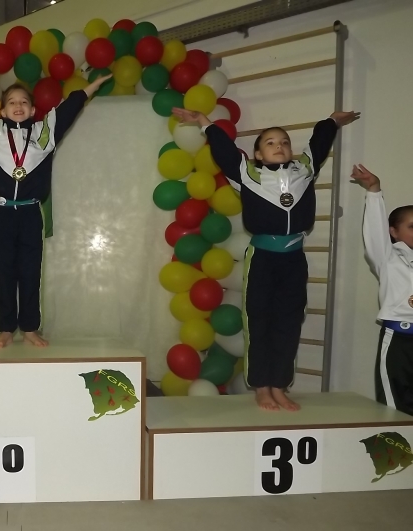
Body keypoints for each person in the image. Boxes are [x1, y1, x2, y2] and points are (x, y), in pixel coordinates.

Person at [172, 107, 359, 411]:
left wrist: (332, 121)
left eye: (284, 142)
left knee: (289, 322)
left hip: (293, 259)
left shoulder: (304, 170)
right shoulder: (247, 174)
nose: (279, 146)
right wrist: (204, 122)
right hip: (262, 259)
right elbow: (224, 151)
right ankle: (262, 387)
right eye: (270, 143)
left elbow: (319, 142)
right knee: (259, 322)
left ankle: (279, 386)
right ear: (258, 154)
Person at [0, 72, 112, 348]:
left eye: (24, 102)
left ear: (33, 110)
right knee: (5, 272)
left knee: (30, 272)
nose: (18, 105)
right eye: (11, 102)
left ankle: (29, 328)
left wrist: (92, 86)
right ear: (1, 111)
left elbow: (69, 108)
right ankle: (5, 329)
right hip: (3, 213)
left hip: (31, 214)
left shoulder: (44, 133)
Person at [352, 164, 413, 416]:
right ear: (394, 232)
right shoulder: (388, 258)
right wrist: (374, 191)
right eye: (412, 226)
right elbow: (375, 233)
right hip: (399, 340)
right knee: (395, 408)